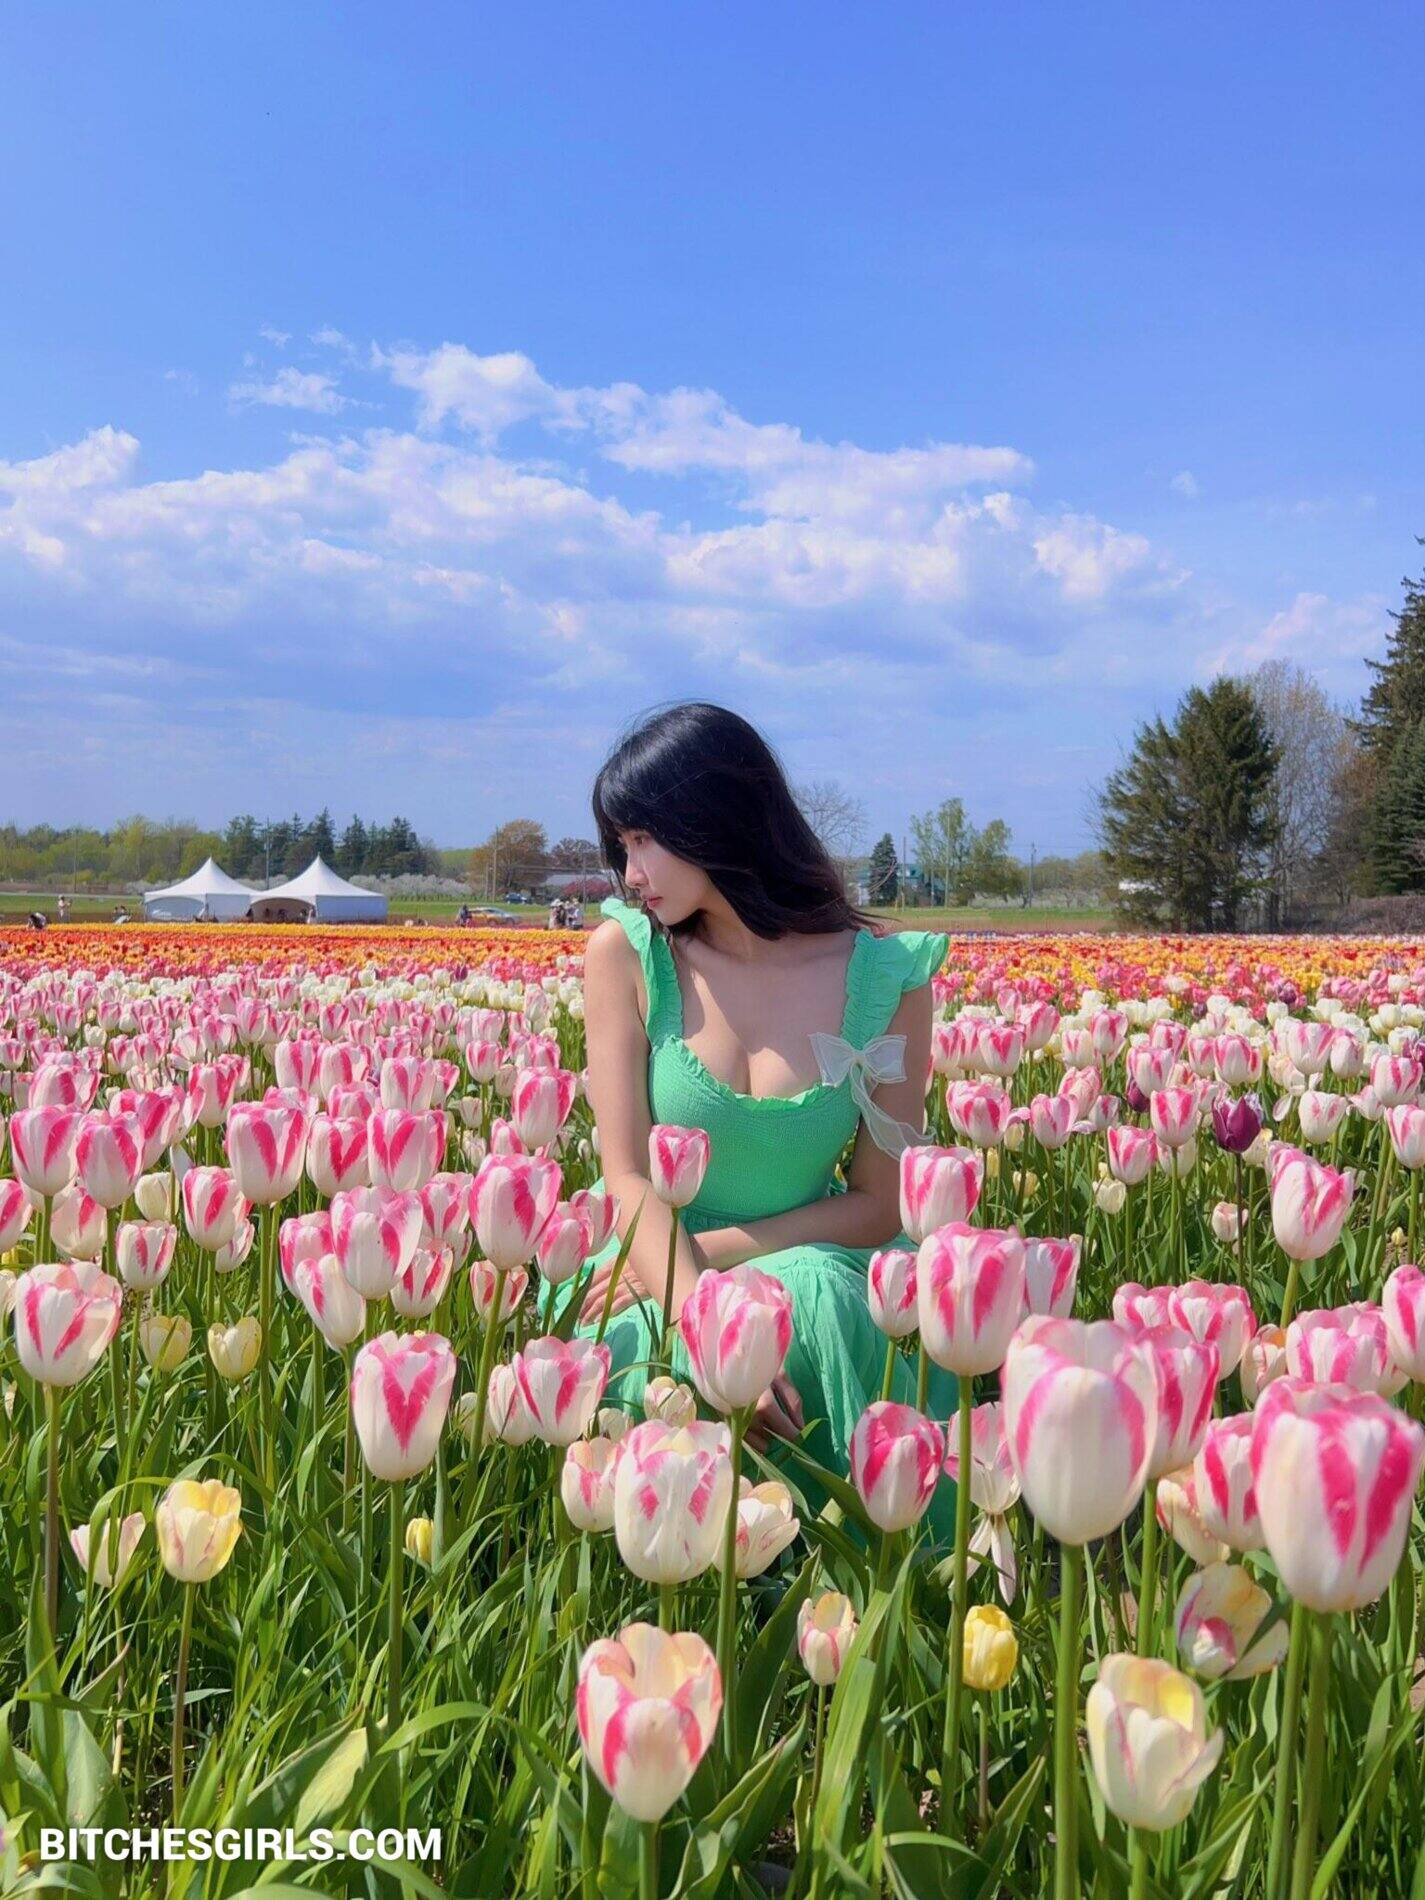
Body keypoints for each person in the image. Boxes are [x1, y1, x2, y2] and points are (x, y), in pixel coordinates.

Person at [559, 702, 955, 1524]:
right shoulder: (627, 954)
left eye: (643, 840)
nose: (629, 873)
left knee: (812, 1300)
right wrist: (700, 1309)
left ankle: (829, 1574)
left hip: (808, 1254)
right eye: (620, 845)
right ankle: (695, 1570)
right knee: (654, 1358)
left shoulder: (887, 977)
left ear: (715, 818)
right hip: (647, 1262)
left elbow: (879, 1203)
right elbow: (626, 1175)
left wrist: (709, 1261)